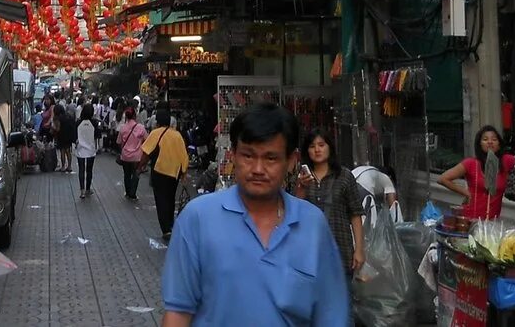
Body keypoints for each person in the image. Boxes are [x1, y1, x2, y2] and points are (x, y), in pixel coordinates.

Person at [161, 103, 349, 327]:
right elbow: (178, 313)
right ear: (233, 156)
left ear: (291, 160)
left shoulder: (312, 224)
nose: (258, 169)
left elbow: (331, 315)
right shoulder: (198, 218)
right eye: (248, 156)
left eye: (270, 158)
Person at [294, 128, 366, 276]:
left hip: (341, 249)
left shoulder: (344, 176)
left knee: (343, 296)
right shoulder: (301, 177)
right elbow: (294, 212)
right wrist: (301, 187)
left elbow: (355, 213)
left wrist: (359, 249)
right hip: (310, 253)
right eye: (312, 146)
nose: (317, 150)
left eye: (321, 145)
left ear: (329, 148)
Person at [438, 125, 515, 220]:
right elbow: (442, 179)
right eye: (485, 139)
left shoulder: (506, 161)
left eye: (494, 139)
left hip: (492, 221)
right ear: (479, 144)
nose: (490, 142)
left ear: (499, 144)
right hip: (471, 218)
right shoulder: (470, 163)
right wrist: (466, 193)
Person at [140, 109, 190, 240]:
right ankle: (170, 223)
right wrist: (184, 173)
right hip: (174, 173)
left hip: (160, 171)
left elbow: (146, 152)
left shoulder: (155, 133)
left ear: (158, 121)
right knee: (170, 197)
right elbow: (184, 156)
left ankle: (166, 228)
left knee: (161, 199)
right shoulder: (177, 135)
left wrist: (140, 167)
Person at [117, 106, 147, 201]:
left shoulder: (123, 128)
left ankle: (127, 191)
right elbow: (147, 139)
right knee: (135, 174)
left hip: (125, 155)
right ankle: (132, 194)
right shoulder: (141, 128)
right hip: (137, 156)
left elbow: (119, 142)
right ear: (134, 115)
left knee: (126, 174)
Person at [76, 103, 98, 198]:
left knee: (81, 169)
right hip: (91, 149)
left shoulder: (78, 122)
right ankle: (88, 189)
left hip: (80, 148)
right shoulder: (94, 123)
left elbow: (75, 136)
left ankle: (82, 191)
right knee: (89, 170)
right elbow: (97, 136)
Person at [56, 102, 76, 173]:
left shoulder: (59, 118)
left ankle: (63, 166)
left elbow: (58, 128)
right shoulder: (69, 116)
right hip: (69, 136)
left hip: (61, 136)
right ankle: (69, 166)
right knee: (68, 151)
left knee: (62, 151)